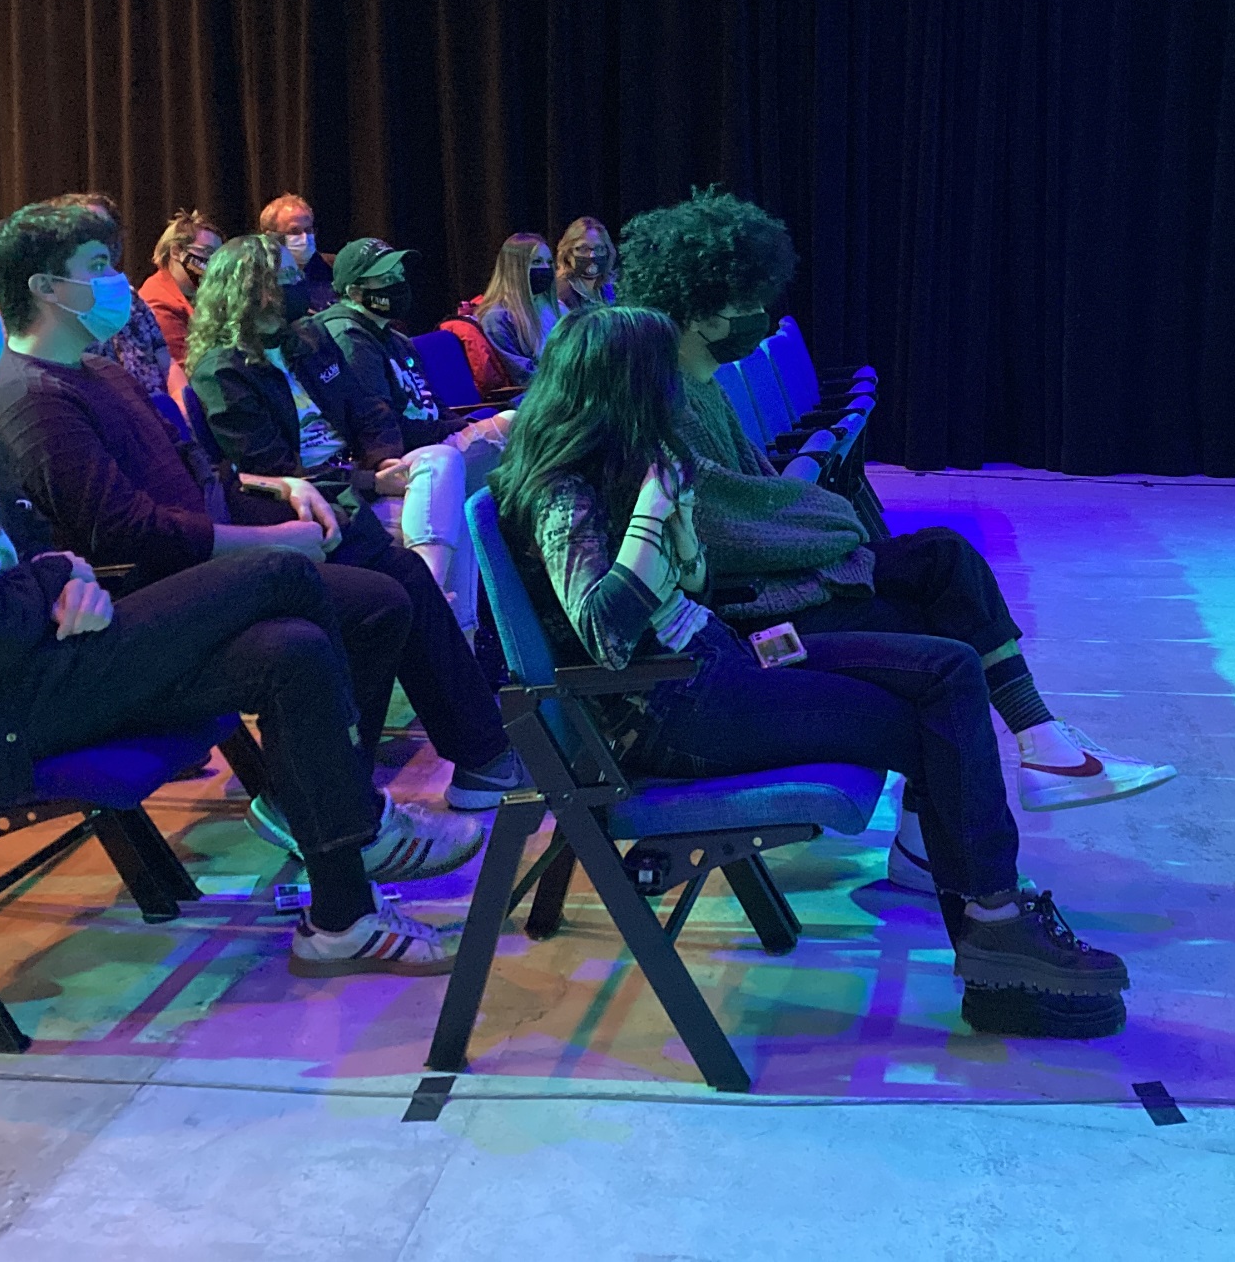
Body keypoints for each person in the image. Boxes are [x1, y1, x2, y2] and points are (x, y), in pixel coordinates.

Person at [0, 240, 482, 976]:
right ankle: (353, 818)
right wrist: (53, 581)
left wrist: (59, 571)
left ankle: (342, 918)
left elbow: (36, 545)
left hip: (38, 664)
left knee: (290, 650)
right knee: (278, 575)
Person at [494, 307, 1130, 1019]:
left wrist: (681, 537)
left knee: (949, 668)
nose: (676, 396)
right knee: (926, 719)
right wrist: (650, 515)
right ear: (624, 388)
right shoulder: (561, 492)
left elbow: (690, 590)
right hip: (674, 710)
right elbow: (607, 636)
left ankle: (994, 928)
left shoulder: (618, 464)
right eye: (662, 381)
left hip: (720, 657)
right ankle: (996, 930)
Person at [616, 190, 1174, 886]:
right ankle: (957, 856)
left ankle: (1039, 744)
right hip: (748, 612)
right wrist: (830, 521)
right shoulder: (661, 391)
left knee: (942, 557)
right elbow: (729, 524)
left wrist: (814, 517)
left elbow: (765, 492)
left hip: (773, 581)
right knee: (936, 636)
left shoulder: (699, 379)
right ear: (694, 306)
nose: (754, 322)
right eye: (740, 303)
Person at [188, 235, 530, 809]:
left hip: (350, 497)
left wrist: (382, 460)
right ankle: (474, 759)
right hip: (296, 517)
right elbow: (270, 472)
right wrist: (370, 484)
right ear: (251, 292)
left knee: (413, 575)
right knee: (403, 590)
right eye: (285, 276)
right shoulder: (222, 373)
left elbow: (367, 411)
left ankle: (457, 763)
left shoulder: (308, 344)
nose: (300, 284)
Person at [315, 238, 514, 625]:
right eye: (384, 277)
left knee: (478, 491)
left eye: (398, 273)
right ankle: (434, 595)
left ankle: (461, 642)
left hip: (433, 445)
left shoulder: (395, 338)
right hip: (409, 459)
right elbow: (380, 427)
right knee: (512, 430)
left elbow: (432, 406)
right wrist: (459, 432)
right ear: (355, 292)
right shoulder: (349, 338)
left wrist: (466, 426)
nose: (398, 282)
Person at [53, 193, 181, 411]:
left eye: (108, 234)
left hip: (160, 420)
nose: (103, 241)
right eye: (90, 231)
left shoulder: (129, 297)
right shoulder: (58, 309)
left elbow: (166, 361)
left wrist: (181, 403)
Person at [474, 233, 559, 385]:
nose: (546, 268)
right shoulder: (498, 317)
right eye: (537, 262)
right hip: (539, 395)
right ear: (516, 269)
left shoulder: (548, 305)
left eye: (549, 262)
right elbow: (523, 375)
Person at [142, 209, 220, 368]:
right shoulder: (159, 301)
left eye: (218, 256)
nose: (214, 263)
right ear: (176, 251)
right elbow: (183, 368)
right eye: (207, 252)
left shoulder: (195, 295)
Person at [260, 193, 336, 313]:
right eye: (294, 231)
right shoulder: (260, 275)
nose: (305, 237)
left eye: (308, 230)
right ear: (271, 236)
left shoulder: (332, 266)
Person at [553, 217, 618, 312]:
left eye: (599, 249)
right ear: (567, 254)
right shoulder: (560, 298)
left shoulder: (608, 290)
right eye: (583, 249)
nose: (592, 255)